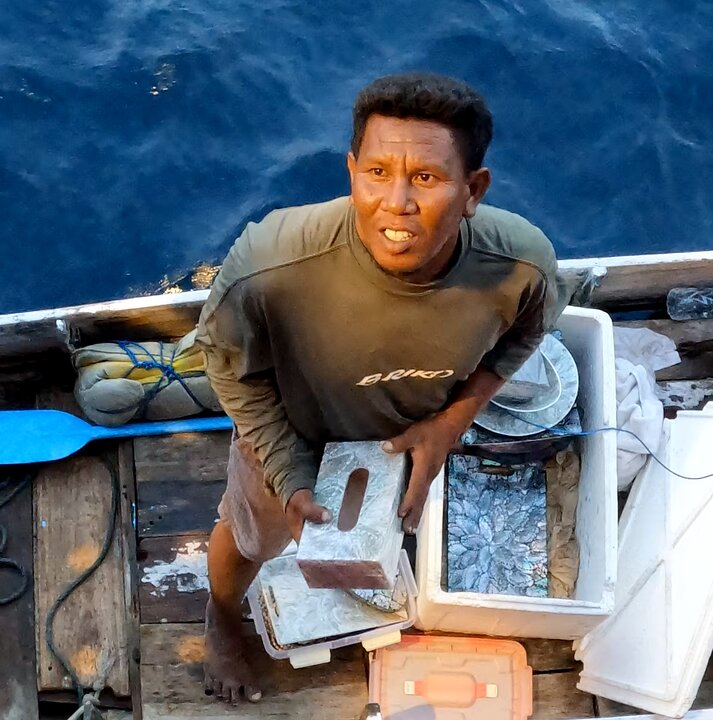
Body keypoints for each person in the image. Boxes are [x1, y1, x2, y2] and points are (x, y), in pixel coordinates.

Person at [194, 72, 564, 704]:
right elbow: (231, 367)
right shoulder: (268, 265)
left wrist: (451, 423)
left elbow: (526, 334)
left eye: (426, 178)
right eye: (377, 172)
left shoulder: (522, 264)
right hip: (290, 432)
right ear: (351, 171)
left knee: (380, 535)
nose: (396, 201)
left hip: (407, 436)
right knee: (253, 535)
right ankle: (223, 614)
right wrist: (285, 470)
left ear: (473, 190)